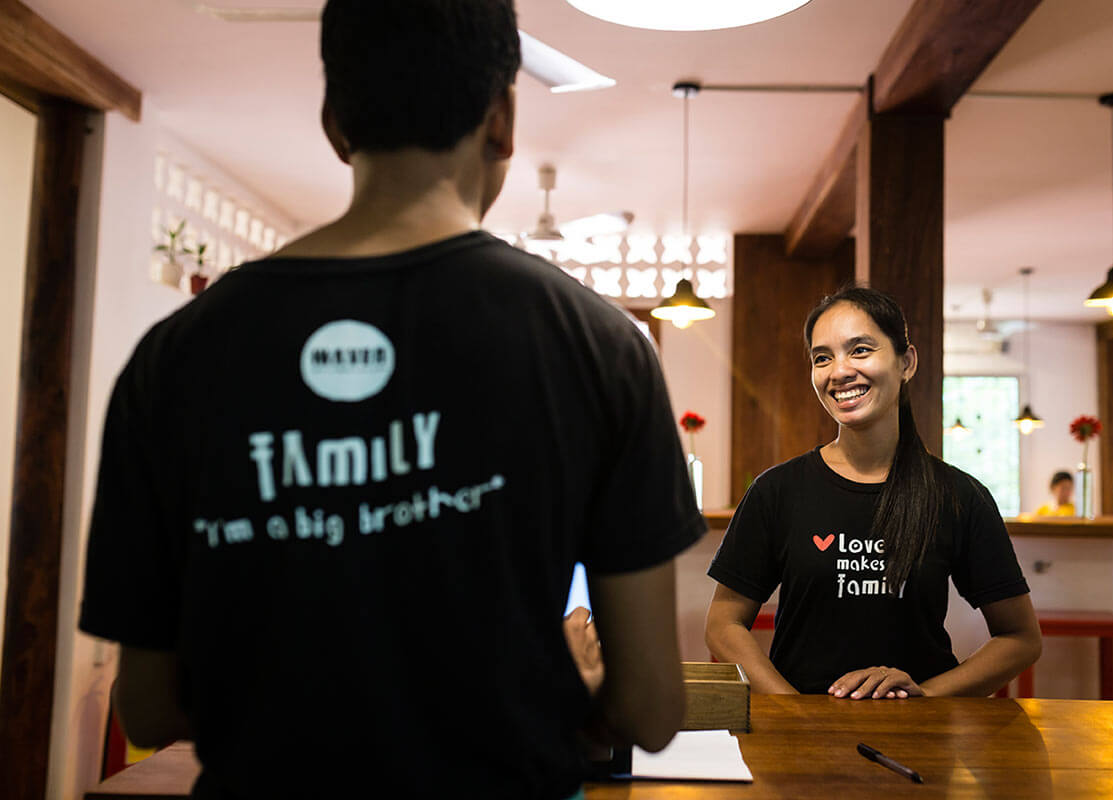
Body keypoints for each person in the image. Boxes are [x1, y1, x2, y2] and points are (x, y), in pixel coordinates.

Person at [77, 2, 707, 797]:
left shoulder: (173, 358)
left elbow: (148, 707)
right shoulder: (603, 346)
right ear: (503, 118)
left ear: (335, 124)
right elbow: (651, 709)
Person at [705, 286, 1041, 700]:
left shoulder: (958, 496)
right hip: (801, 740)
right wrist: (790, 707)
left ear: (907, 362)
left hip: (919, 740)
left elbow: (1020, 638)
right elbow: (723, 623)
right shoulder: (777, 491)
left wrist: (927, 695)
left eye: (860, 350)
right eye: (822, 357)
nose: (839, 371)